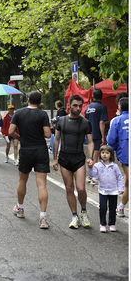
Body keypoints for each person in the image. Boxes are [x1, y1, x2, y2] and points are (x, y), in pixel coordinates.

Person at [9, 91, 52, 229]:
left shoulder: (19, 113)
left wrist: (20, 138)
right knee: (42, 185)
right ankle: (43, 218)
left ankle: (20, 208)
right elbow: (47, 134)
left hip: (26, 150)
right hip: (40, 150)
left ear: (27, 100)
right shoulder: (43, 114)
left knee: (22, 180)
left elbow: (10, 131)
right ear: (40, 102)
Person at [53, 95, 94, 229]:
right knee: (69, 188)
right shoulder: (62, 121)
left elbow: (91, 141)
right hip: (64, 158)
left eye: (80, 106)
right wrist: (55, 158)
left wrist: (91, 157)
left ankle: (83, 211)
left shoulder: (85, 122)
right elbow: (56, 140)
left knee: (81, 188)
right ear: (69, 105)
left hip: (79, 158)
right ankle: (75, 216)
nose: (78, 108)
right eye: (75, 105)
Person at [87, 145, 124, 232]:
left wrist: (121, 188)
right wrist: (90, 167)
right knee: (103, 207)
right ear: (100, 154)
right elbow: (93, 174)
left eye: (107, 153)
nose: (104, 155)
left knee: (112, 208)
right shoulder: (98, 165)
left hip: (113, 191)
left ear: (111, 155)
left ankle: (112, 223)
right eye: (103, 152)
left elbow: (120, 178)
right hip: (103, 190)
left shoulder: (115, 166)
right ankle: (102, 223)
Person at [107, 97, 129, 217]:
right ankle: (121, 207)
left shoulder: (116, 121)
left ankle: (121, 207)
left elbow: (111, 140)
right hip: (126, 156)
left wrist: (110, 155)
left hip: (125, 156)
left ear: (119, 107)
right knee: (127, 182)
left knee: (128, 181)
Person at [85, 88, 108, 184]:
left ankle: (90, 175)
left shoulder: (88, 107)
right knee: (96, 154)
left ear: (93, 96)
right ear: (101, 97)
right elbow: (102, 122)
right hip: (97, 133)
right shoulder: (102, 107)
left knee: (90, 154)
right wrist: (103, 136)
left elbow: (85, 121)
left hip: (89, 133)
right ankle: (93, 176)